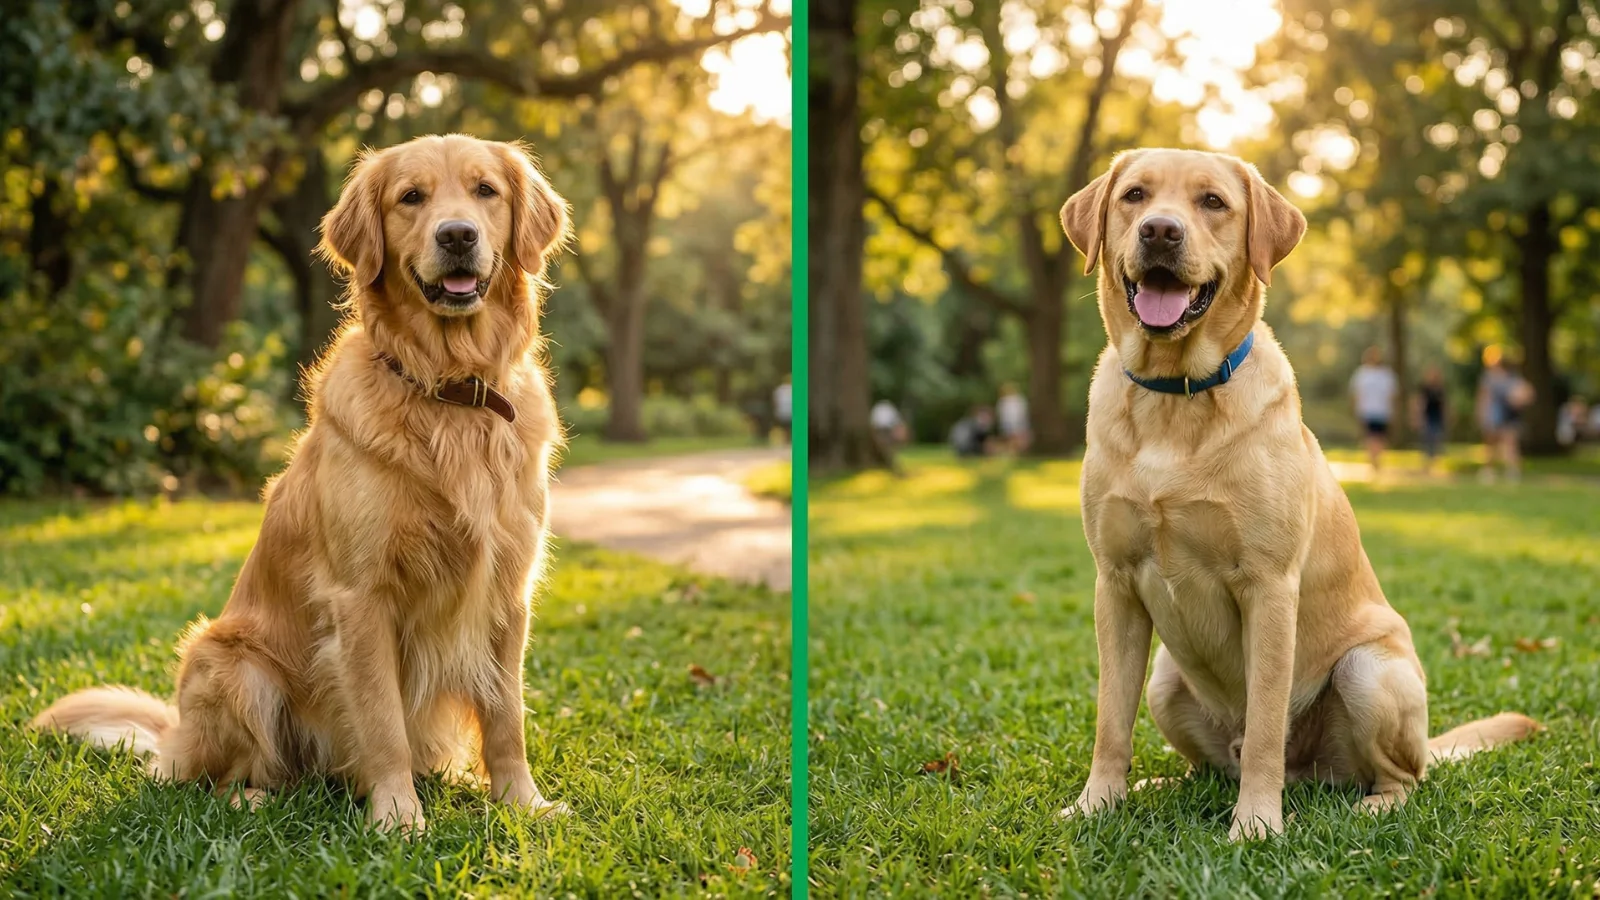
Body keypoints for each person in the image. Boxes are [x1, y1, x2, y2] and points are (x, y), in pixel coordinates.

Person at [1476, 346, 1531, 483]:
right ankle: (1489, 470)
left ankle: (1513, 471)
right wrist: (1482, 413)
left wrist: (1517, 400)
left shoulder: (1512, 377)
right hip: (1493, 416)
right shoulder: (1488, 378)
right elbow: (1484, 397)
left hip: (1509, 415)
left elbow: (1527, 393)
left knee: (1510, 443)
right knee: (1491, 444)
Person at [1349, 346, 1398, 472]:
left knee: (1380, 437)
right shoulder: (1362, 374)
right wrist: (1357, 408)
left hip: (1382, 411)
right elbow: (1356, 393)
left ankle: (1377, 460)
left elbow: (1391, 394)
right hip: (1367, 411)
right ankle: (1373, 461)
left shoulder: (1386, 374)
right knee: (1370, 437)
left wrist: (1392, 409)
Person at [1413, 365, 1448, 474]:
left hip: (1437, 418)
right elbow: (1419, 403)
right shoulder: (1424, 389)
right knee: (1426, 440)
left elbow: (1444, 405)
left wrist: (1447, 417)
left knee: (1436, 440)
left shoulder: (1440, 389)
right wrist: (1417, 417)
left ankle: (1434, 464)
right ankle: (1426, 465)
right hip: (1427, 418)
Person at [996, 383, 1031, 454]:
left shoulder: (1018, 400)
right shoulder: (1004, 401)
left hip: (1016, 424)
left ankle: (1016, 452)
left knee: (1017, 439)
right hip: (1011, 424)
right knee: (1013, 439)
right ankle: (1013, 452)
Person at [772, 375, 792, 445]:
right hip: (787, 411)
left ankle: (786, 440)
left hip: (783, 411)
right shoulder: (781, 389)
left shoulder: (780, 389)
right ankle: (787, 440)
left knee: (785, 427)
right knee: (787, 427)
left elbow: (775, 402)